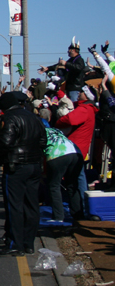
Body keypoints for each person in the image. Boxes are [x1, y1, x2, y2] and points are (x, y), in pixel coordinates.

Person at [0, 91, 46, 256]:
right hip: (34, 165)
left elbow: (6, 141)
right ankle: (29, 243)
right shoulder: (33, 117)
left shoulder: (10, 118)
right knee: (31, 205)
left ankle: (15, 243)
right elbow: (43, 140)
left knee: (14, 206)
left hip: (16, 166)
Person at [56, 85, 99, 219]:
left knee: (77, 178)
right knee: (77, 177)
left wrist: (59, 122)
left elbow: (70, 119)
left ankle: (82, 208)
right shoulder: (85, 108)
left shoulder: (85, 109)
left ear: (87, 95)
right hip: (77, 146)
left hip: (75, 147)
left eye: (82, 92)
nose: (79, 93)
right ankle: (81, 207)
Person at [43, 127, 83, 223]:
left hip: (58, 154)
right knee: (72, 185)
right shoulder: (56, 130)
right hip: (75, 153)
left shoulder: (37, 131)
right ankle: (78, 216)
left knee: (54, 185)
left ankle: (58, 217)